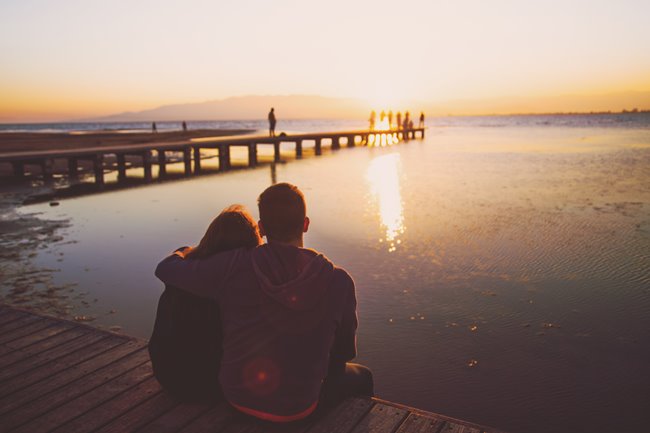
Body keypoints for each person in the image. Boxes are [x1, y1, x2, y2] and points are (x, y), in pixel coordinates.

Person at [155, 183, 373, 422]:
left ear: (261, 228)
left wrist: (184, 251)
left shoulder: (235, 264)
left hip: (236, 399)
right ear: (306, 224)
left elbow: (166, 269)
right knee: (363, 376)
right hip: (300, 410)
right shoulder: (339, 280)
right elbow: (344, 353)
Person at [149, 205, 262, 401]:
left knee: (174, 290)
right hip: (213, 383)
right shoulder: (246, 269)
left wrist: (183, 251)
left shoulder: (190, 269)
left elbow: (164, 268)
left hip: (168, 376)